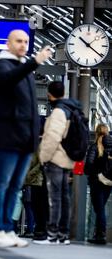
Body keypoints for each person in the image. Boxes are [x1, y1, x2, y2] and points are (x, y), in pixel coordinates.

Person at [0, 29, 52, 247]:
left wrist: (35, 138)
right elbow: (7, 81)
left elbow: (31, 107)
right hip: (8, 136)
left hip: (26, 138)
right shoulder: (2, 64)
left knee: (15, 186)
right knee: (2, 184)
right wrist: (34, 62)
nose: (23, 45)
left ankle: (8, 228)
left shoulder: (24, 68)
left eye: (26, 41)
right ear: (8, 43)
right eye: (19, 41)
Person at [38, 81, 83, 245]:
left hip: (56, 159)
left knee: (54, 198)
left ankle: (53, 234)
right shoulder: (71, 109)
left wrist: (43, 157)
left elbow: (52, 137)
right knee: (64, 198)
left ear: (49, 94)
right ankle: (63, 235)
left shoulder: (58, 111)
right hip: (67, 160)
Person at [85, 124, 112, 244]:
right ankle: (98, 234)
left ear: (96, 133)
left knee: (99, 209)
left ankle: (101, 235)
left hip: (97, 182)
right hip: (109, 182)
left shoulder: (95, 147)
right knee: (100, 209)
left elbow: (88, 166)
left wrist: (97, 174)